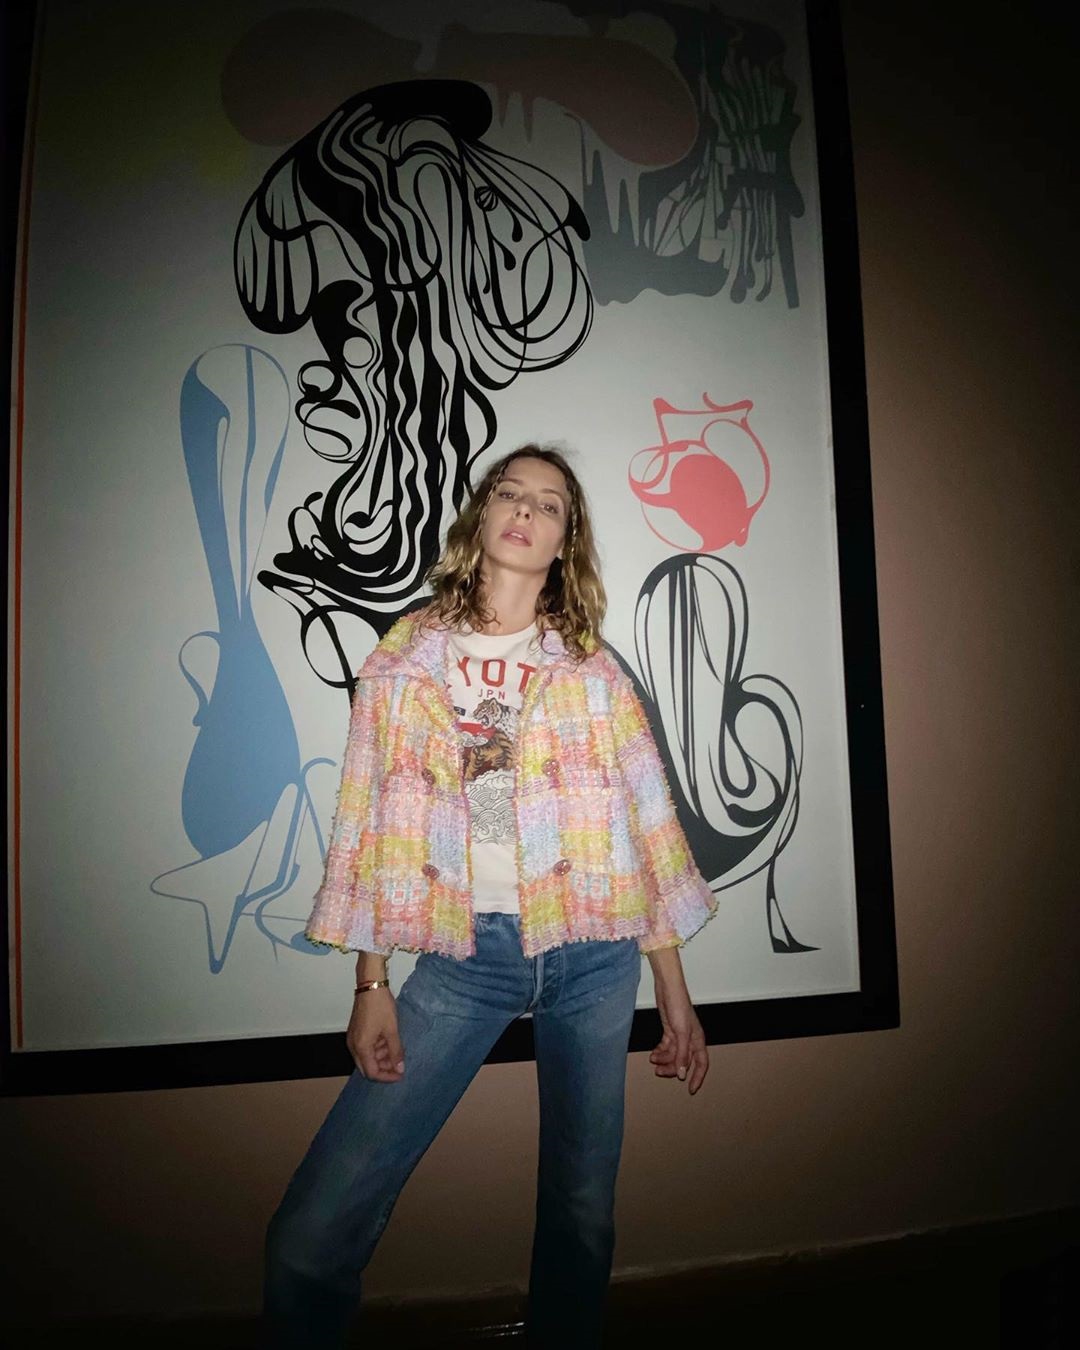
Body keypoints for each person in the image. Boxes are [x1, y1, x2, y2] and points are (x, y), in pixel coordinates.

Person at [263, 445, 716, 1348]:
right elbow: (369, 823)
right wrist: (370, 980)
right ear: (483, 516)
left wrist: (674, 989)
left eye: (550, 504)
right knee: (311, 1232)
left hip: (595, 955)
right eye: (511, 493)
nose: (526, 511)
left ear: (564, 541)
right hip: (467, 959)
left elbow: (645, 829)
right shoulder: (403, 661)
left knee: (582, 1212)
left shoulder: (591, 669)